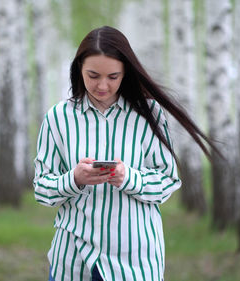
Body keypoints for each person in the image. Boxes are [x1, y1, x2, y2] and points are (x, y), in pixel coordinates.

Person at [34, 26, 216, 281]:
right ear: (79, 69)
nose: (102, 85)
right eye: (93, 75)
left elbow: (168, 180)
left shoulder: (148, 114)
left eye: (113, 76)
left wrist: (128, 178)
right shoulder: (58, 118)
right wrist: (74, 178)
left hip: (134, 263)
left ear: (125, 73)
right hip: (72, 262)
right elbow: (42, 189)